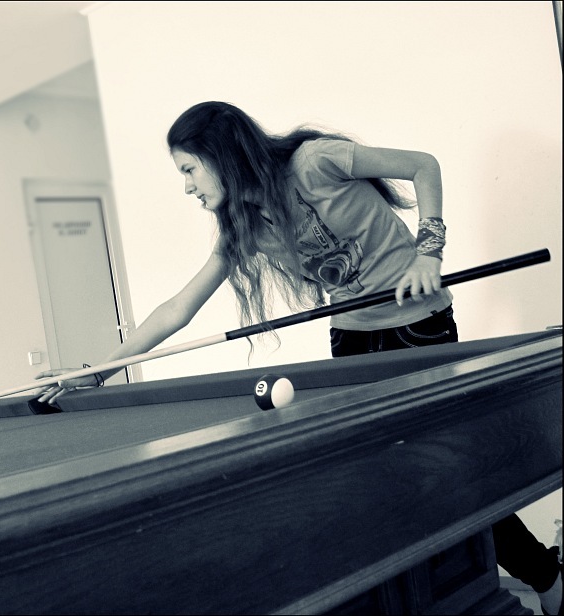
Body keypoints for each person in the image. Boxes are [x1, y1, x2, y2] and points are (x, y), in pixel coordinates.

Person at [35, 101, 562, 614]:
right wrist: (98, 372)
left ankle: (544, 575)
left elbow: (423, 165)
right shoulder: (244, 226)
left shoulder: (316, 162)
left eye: (189, 169)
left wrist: (429, 253)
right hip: (351, 341)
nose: (188, 186)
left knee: (449, 471)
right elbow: (178, 307)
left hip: (419, 328)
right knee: (384, 478)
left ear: (221, 155)